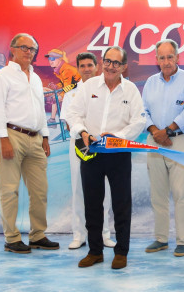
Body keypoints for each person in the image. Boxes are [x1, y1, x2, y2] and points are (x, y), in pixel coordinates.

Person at [66, 46, 145, 269]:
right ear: (103, 62)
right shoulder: (89, 86)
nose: (111, 66)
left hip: (118, 152)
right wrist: (82, 131)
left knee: (121, 204)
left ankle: (121, 252)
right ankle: (95, 251)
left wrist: (117, 137)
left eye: (116, 63)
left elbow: (138, 121)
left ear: (124, 67)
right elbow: (73, 114)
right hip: (91, 153)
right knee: (92, 203)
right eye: (107, 61)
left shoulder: (130, 90)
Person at [0, 33, 59, 253]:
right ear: (13, 49)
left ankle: (37, 235)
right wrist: (3, 140)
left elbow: (41, 109)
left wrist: (45, 136)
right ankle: (11, 238)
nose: (29, 52)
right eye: (24, 47)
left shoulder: (36, 78)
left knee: (40, 190)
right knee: (9, 190)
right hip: (12, 136)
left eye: (32, 49)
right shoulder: (2, 76)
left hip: (36, 138)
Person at [142, 39, 184, 257]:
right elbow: (142, 111)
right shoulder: (150, 82)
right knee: (158, 194)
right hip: (154, 141)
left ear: (177, 57)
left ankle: (183, 241)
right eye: (162, 57)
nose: (166, 62)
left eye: (170, 57)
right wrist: (156, 131)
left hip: (180, 141)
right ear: (156, 60)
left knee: (181, 193)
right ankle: (161, 239)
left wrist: (169, 129)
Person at [61, 52, 116, 250]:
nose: (86, 69)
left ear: (96, 67)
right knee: (78, 189)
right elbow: (69, 123)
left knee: (105, 190)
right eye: (82, 66)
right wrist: (85, 132)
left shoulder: (107, 90)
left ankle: (104, 233)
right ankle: (79, 234)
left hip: (101, 144)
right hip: (78, 144)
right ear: (78, 68)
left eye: (90, 65)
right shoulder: (70, 93)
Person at [44, 48, 81, 126]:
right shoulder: (60, 69)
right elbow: (64, 83)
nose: (50, 61)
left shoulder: (66, 69)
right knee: (56, 98)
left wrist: (59, 96)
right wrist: (57, 86)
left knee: (56, 98)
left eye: (53, 58)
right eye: (49, 59)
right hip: (73, 88)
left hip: (79, 90)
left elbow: (68, 87)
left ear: (60, 59)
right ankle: (53, 120)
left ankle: (60, 121)